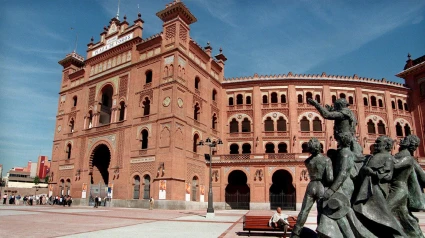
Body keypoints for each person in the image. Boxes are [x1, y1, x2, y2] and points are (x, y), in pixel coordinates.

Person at [352, 136, 405, 237]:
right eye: (375, 142)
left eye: (378, 142)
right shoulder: (372, 156)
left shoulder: (387, 157)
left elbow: (388, 176)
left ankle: (398, 234)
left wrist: (371, 172)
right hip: (366, 187)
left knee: (383, 214)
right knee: (366, 212)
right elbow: (358, 158)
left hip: (376, 188)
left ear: (386, 145)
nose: (376, 144)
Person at [291, 138, 333, 238]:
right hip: (321, 186)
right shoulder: (326, 160)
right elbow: (330, 178)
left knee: (304, 210)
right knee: (320, 211)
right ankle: (320, 234)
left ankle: (295, 234)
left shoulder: (308, 161)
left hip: (311, 185)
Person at [388, 135, 425, 237]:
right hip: (394, 189)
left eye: (405, 139)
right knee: (403, 215)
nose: (401, 139)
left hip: (400, 190)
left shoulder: (408, 158)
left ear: (409, 143)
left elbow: (423, 178)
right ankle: (416, 235)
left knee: (385, 210)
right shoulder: (397, 156)